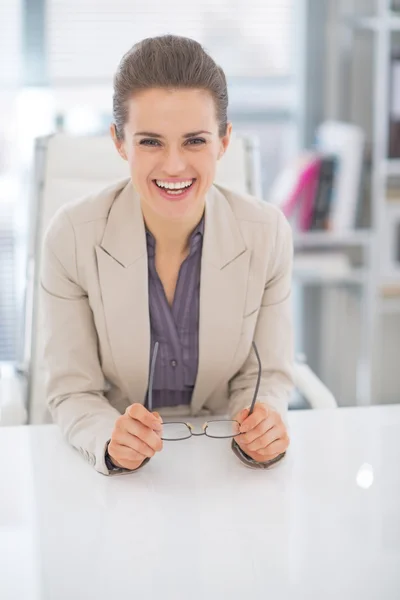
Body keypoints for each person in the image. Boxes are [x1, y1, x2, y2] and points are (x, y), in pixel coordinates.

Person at [40, 35, 294, 476]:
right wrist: (109, 439)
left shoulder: (266, 233)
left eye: (194, 141)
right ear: (120, 143)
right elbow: (72, 391)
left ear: (224, 140)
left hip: (223, 467)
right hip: (112, 479)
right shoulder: (72, 236)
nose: (174, 166)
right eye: (151, 142)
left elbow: (266, 375)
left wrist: (262, 422)